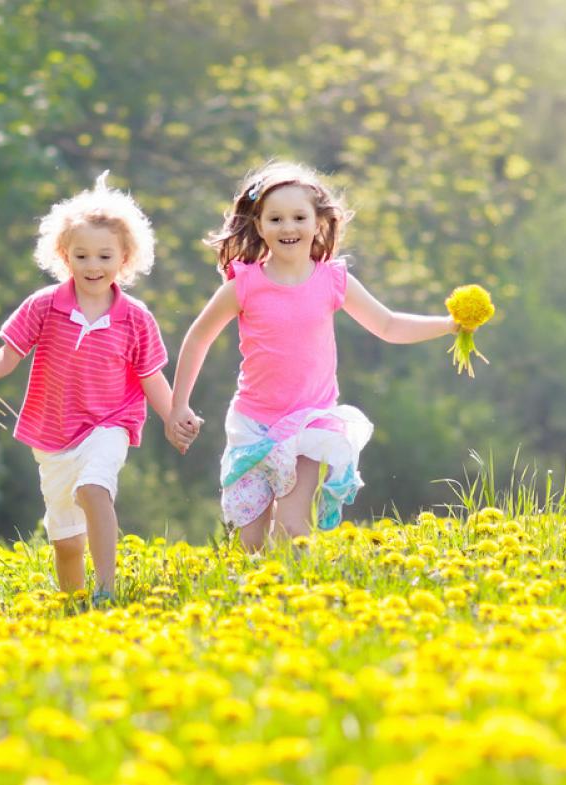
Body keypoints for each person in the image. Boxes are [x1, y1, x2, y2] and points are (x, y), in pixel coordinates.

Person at [165, 160, 457, 550]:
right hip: (253, 424)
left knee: (291, 528)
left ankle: (295, 596)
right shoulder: (244, 285)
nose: (288, 228)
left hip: (309, 423)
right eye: (276, 219)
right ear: (259, 225)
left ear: (318, 222)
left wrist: (450, 324)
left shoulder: (332, 280)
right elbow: (199, 337)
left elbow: (387, 325)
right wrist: (178, 405)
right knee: (249, 542)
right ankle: (256, 601)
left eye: (299, 217)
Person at [0, 173, 195, 606]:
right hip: (52, 434)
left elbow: (151, 377)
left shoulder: (136, 318)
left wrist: (175, 416)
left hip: (109, 424)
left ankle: (106, 589)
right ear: (64, 256)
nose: (93, 265)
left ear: (124, 258)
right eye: (82, 255)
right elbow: (7, 358)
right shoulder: (43, 305)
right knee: (67, 544)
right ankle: (75, 606)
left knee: (94, 488)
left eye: (104, 256)